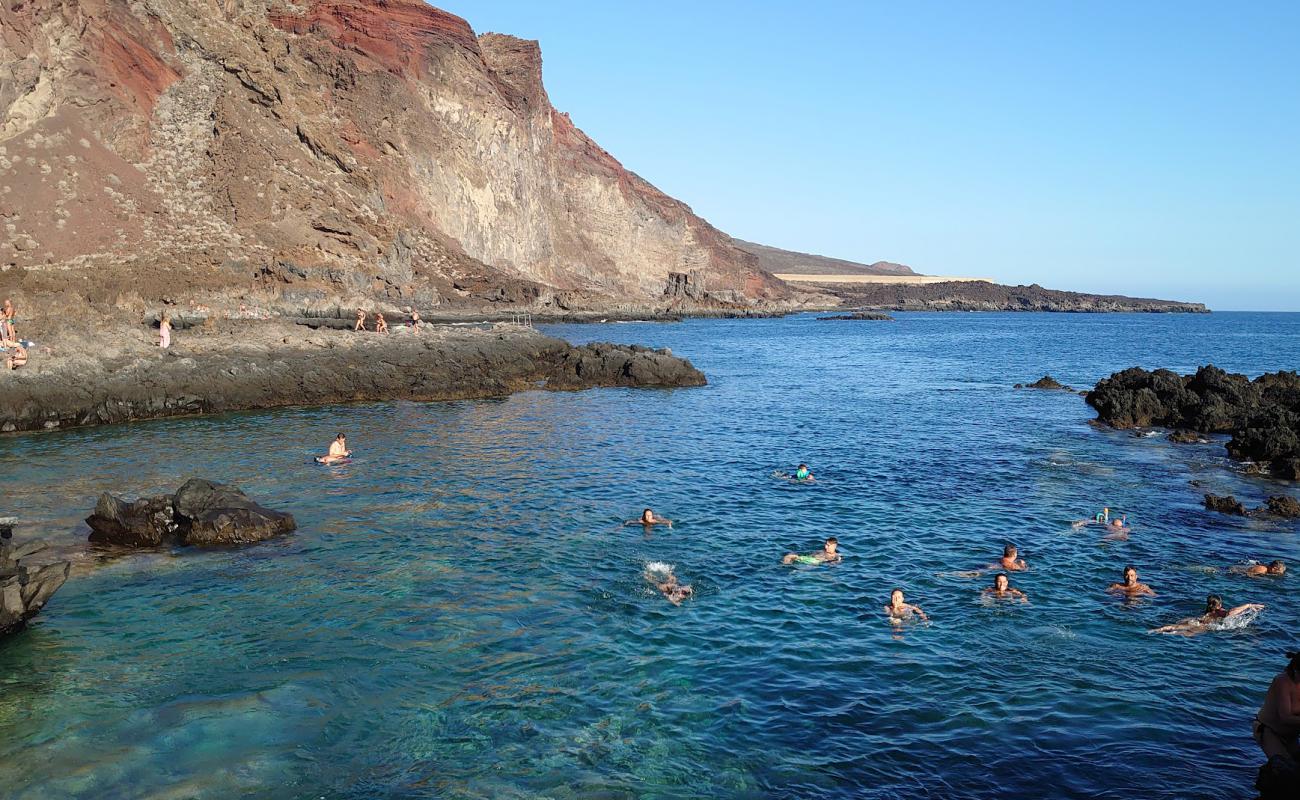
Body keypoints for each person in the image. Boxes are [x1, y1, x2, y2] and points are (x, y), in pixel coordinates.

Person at [1254, 651, 1300, 761]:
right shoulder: (1282, 681)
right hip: (1269, 731)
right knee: (1283, 765)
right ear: (1295, 670)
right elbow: (1285, 717)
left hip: (1292, 735)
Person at [1150, 595, 1265, 635]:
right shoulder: (1220, 611)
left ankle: (1154, 630)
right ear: (1219, 604)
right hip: (1203, 626)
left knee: (1173, 626)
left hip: (1196, 620)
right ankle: (1166, 634)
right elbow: (1231, 612)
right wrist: (1248, 605)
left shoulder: (1208, 611)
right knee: (1183, 633)